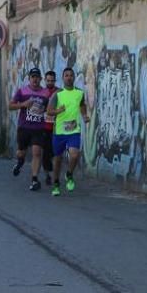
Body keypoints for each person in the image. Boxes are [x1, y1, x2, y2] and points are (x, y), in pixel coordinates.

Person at [46, 67, 89, 197]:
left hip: (73, 131)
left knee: (75, 155)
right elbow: (49, 111)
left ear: (74, 77)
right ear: (63, 78)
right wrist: (58, 111)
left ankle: (69, 174)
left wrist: (84, 115)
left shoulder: (79, 93)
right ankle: (56, 184)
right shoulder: (57, 94)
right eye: (66, 75)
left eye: (71, 75)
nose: (69, 77)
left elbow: (82, 105)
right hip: (59, 132)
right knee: (57, 160)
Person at [9, 67, 54, 192]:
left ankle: (34, 180)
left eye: (37, 77)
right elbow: (10, 106)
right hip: (24, 127)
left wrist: (46, 110)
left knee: (37, 152)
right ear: (29, 78)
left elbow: (47, 108)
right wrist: (23, 105)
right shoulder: (22, 91)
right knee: (21, 152)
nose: (35, 79)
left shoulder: (45, 93)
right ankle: (20, 161)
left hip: (38, 128)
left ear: (40, 79)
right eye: (32, 77)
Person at [41, 70, 59, 185]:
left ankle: (52, 172)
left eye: (52, 81)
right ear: (45, 80)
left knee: (55, 152)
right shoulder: (41, 93)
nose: (50, 82)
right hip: (44, 127)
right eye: (48, 81)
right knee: (46, 152)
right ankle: (48, 173)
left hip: (57, 127)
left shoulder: (59, 93)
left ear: (55, 81)